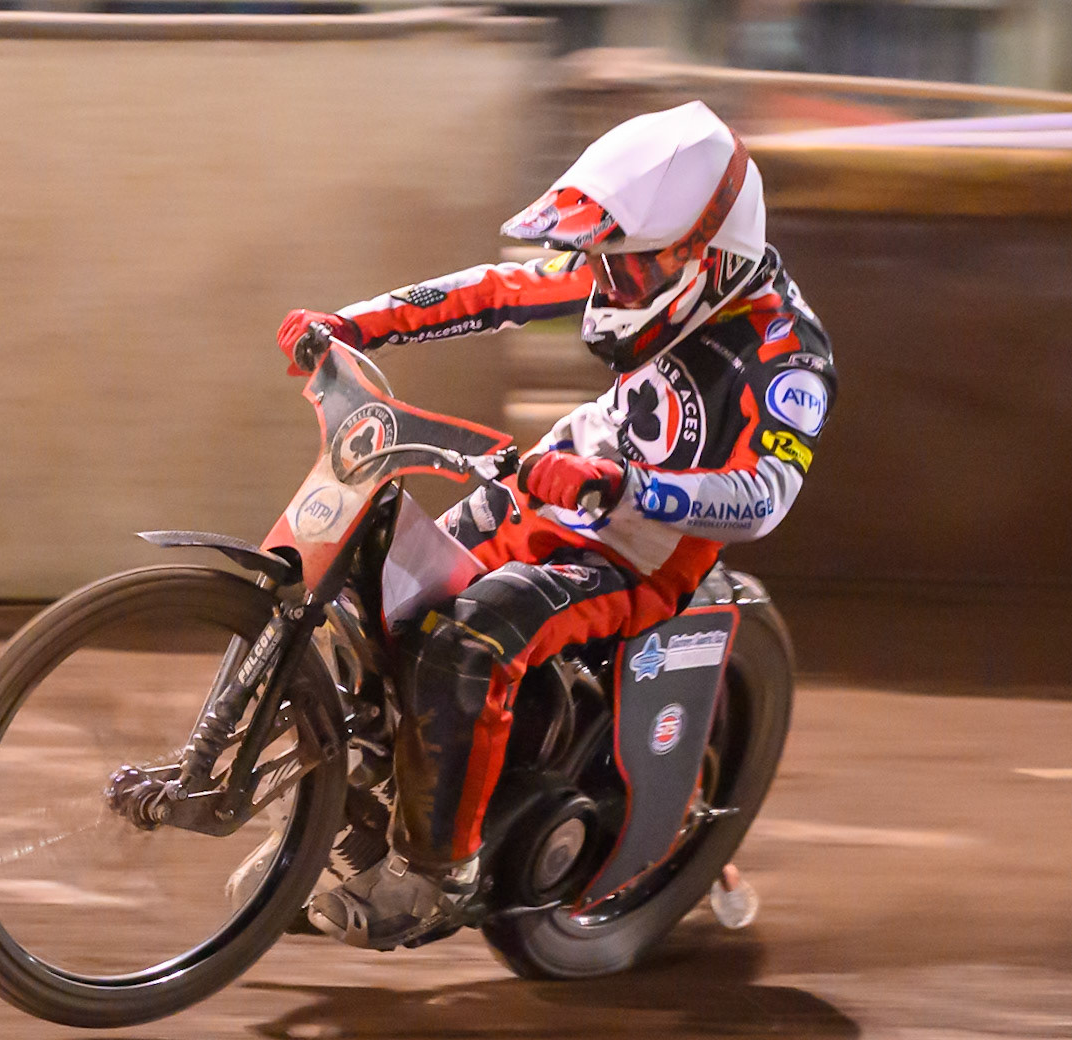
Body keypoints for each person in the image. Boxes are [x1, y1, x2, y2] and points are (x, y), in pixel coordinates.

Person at [276, 101, 837, 949]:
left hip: (641, 552)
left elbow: (764, 495)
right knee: (376, 595)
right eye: (600, 266)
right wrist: (353, 323)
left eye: (626, 271)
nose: (606, 286)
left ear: (708, 258)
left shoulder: (785, 351)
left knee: (473, 636)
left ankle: (436, 872)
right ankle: (355, 819)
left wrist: (629, 488)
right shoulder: (643, 265)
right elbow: (498, 288)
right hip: (555, 483)